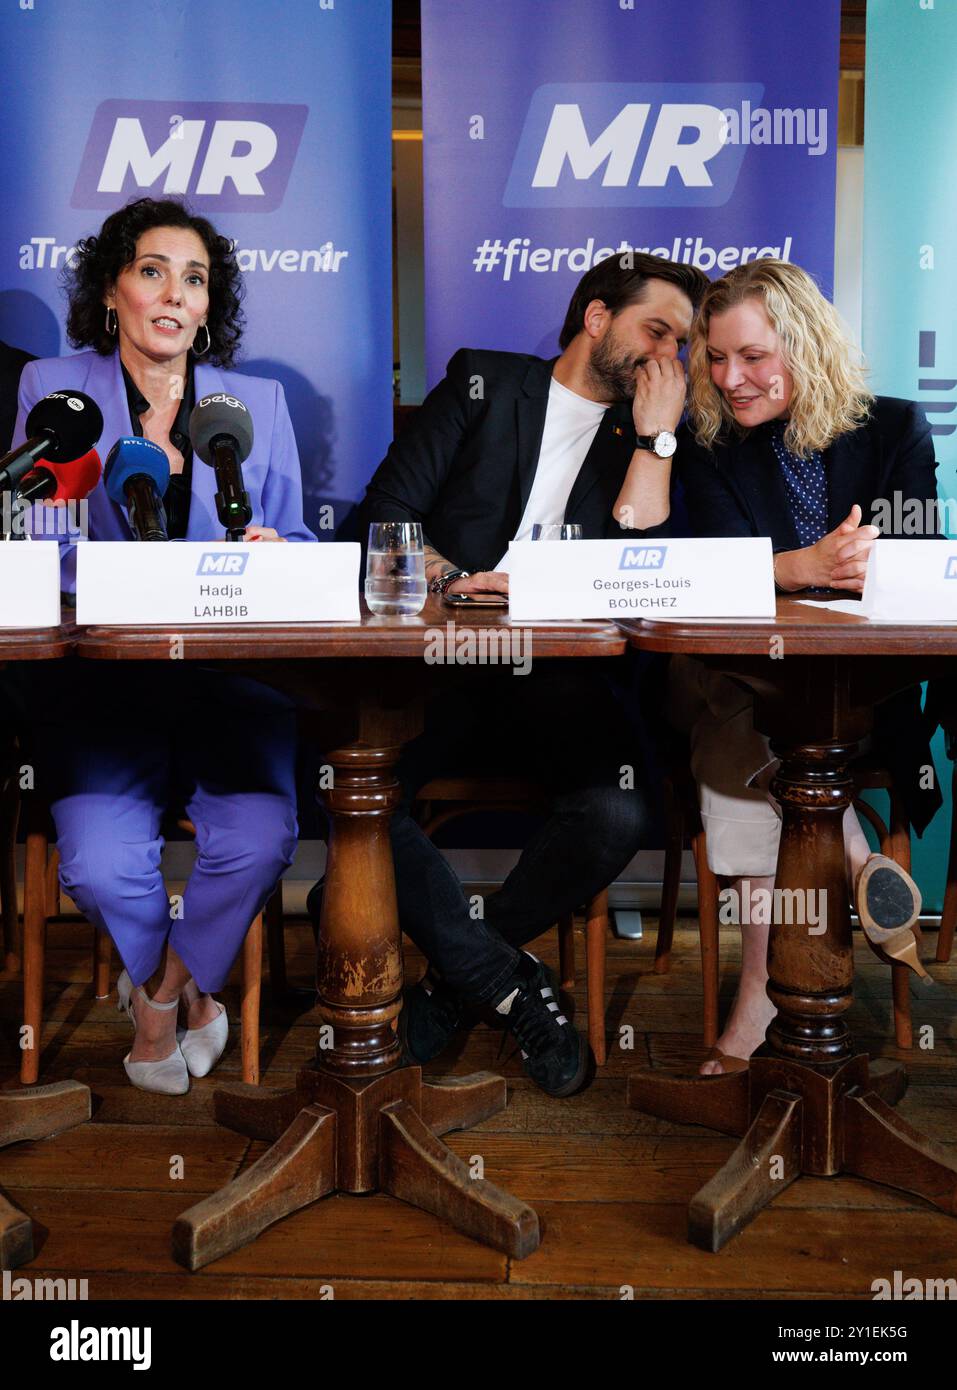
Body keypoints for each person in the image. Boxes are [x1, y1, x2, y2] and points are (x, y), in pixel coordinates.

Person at [340, 252, 708, 1098]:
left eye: (682, 345)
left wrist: (656, 436)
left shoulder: (651, 434)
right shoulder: (485, 384)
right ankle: (513, 988)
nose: (670, 360)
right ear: (595, 319)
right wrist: (453, 586)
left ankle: (459, 979)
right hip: (443, 661)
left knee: (618, 811)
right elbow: (381, 518)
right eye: (657, 332)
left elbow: (636, 569)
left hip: (561, 675)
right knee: (352, 798)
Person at [12, 197, 315, 1095]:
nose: (174, 295)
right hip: (104, 685)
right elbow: (44, 546)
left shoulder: (255, 403)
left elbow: (295, 540)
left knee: (261, 841)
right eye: (152, 271)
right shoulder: (55, 390)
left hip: (231, 679)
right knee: (101, 865)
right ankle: (166, 991)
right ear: (113, 291)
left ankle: (164, 993)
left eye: (194, 278)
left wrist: (273, 554)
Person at [662, 259, 940, 1074]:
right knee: (733, 708)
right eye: (714, 359)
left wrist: (872, 559)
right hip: (730, 677)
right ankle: (852, 854)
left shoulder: (893, 428)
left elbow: (920, 565)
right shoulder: (711, 448)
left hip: (852, 694)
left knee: (742, 744)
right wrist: (800, 565)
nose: (728, 378)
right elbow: (705, 571)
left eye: (750, 356)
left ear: (805, 343)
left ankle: (755, 1010)